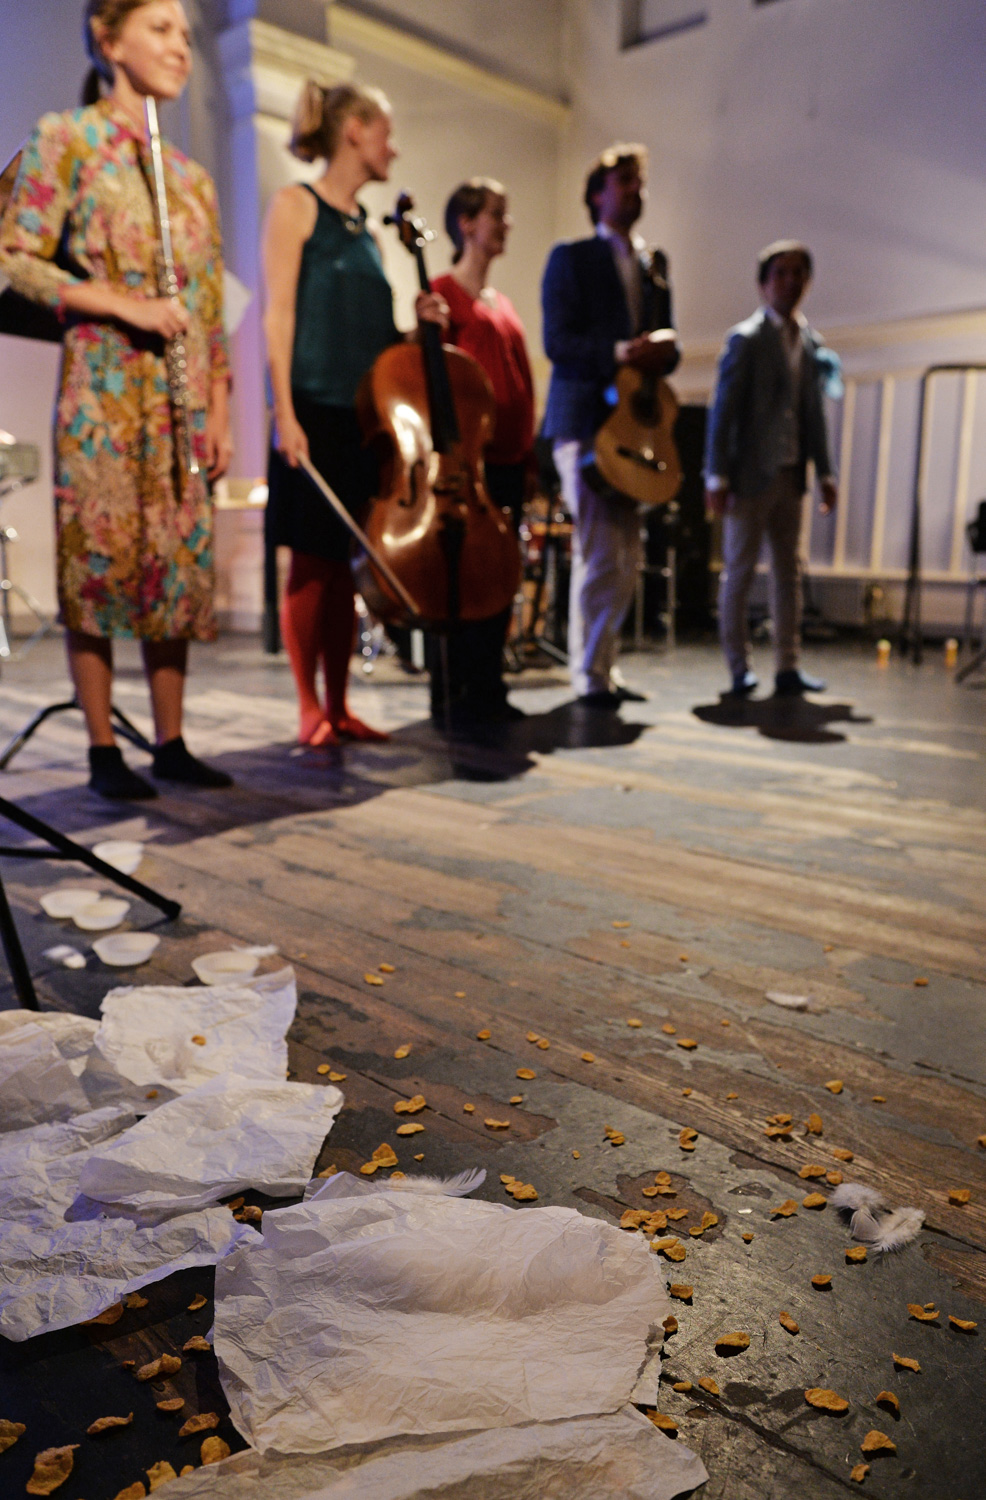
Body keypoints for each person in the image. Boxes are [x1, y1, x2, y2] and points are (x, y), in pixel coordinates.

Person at [0, 0, 233, 799]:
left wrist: (219, 409)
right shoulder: (67, 138)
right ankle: (104, 750)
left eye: (186, 34)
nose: (181, 47)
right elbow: (16, 258)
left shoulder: (193, 181)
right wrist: (125, 305)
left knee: (175, 566)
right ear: (107, 37)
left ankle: (171, 742)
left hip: (176, 401)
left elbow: (208, 311)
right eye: (160, 29)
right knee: (97, 563)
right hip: (102, 388)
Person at [262, 81, 445, 748]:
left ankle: (339, 707)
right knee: (310, 564)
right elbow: (279, 317)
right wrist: (283, 412)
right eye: (386, 133)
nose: (393, 148)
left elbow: (372, 338)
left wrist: (413, 329)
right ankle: (308, 708)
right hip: (311, 408)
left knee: (343, 568)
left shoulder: (368, 231)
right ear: (355, 131)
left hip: (362, 419)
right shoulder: (296, 205)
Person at [541, 143, 679, 707]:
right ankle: (587, 674)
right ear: (597, 194)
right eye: (624, 181)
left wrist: (661, 351)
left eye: (639, 181)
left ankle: (604, 666)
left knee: (628, 557)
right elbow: (558, 342)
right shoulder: (571, 258)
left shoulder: (654, 265)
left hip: (633, 428)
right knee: (599, 552)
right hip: (583, 423)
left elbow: (667, 347)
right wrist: (620, 351)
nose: (635, 190)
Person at [704, 240, 841, 697]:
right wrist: (717, 475)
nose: (790, 281)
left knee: (788, 572)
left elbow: (813, 414)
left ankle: (788, 665)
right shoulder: (746, 339)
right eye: (780, 273)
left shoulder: (810, 342)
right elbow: (722, 413)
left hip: (791, 474)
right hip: (748, 477)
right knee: (740, 571)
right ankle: (738, 667)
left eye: (798, 272)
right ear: (764, 283)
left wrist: (825, 473)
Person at [430, 177, 535, 725]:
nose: (506, 224)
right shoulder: (442, 294)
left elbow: (522, 382)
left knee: (499, 574)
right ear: (466, 223)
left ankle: (489, 684)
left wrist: (530, 453)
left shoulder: (503, 303)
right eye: (497, 213)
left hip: (510, 459)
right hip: (469, 460)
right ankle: (454, 687)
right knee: (462, 575)